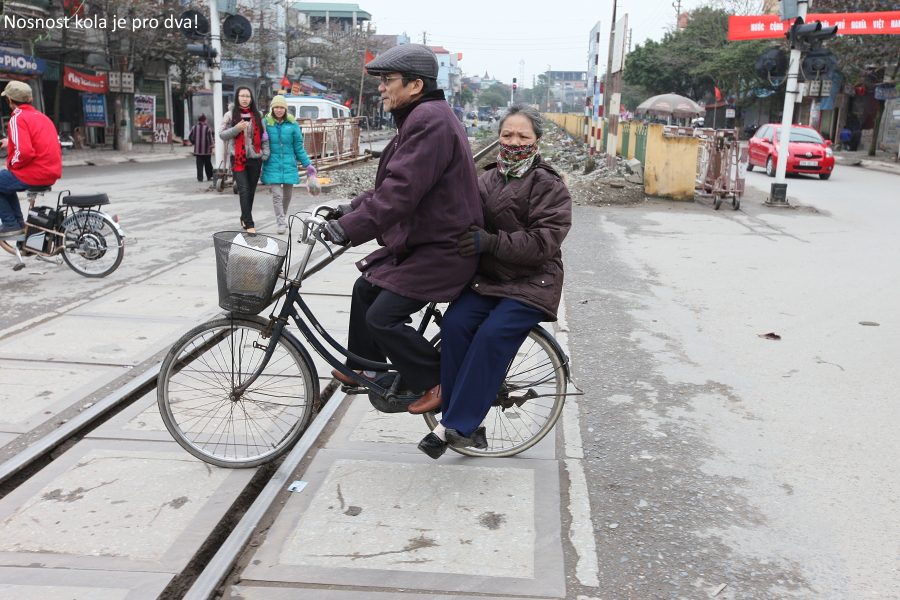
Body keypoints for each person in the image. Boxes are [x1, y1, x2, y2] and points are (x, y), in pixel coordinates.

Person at [322, 44, 482, 408]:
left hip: (444, 250)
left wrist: (350, 228)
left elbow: (400, 194)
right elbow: (390, 185)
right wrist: (349, 210)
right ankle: (366, 367)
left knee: (382, 317)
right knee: (366, 289)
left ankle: (438, 381)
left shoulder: (429, 120)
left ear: (414, 86)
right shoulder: (421, 117)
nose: (381, 88)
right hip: (428, 243)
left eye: (388, 80)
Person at [415, 105, 572, 459]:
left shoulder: (549, 185)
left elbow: (544, 242)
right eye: (507, 135)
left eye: (523, 136)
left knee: (491, 334)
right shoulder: (485, 179)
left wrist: (492, 242)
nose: (514, 141)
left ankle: (458, 425)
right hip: (490, 279)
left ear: (536, 141)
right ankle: (460, 419)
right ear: (498, 137)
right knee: (455, 324)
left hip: (533, 281)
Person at [0, 81, 62, 239]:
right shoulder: (42, 117)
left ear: (10, 101)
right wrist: (10, 143)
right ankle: (18, 224)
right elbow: (36, 142)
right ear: (30, 100)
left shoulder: (17, 118)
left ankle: (12, 224)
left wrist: (12, 165)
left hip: (33, 174)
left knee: (6, 175)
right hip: (50, 173)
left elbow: (24, 152)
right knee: (4, 181)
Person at [261, 95, 320, 234]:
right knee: (277, 195)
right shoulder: (266, 123)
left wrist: (308, 165)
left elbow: (298, 147)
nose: (279, 110)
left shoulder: (293, 124)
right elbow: (258, 140)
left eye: (282, 107)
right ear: (272, 108)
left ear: (285, 109)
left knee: (287, 195)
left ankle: (283, 215)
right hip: (272, 164)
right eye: (276, 107)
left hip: (289, 164)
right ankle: (281, 222)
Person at [220, 87, 269, 233]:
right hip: (238, 158)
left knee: (251, 191)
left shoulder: (258, 115)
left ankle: (244, 216)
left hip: (255, 158)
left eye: (247, 96)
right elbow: (222, 135)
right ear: (237, 97)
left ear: (251, 98)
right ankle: (249, 224)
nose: (245, 98)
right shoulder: (230, 115)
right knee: (244, 190)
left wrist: (265, 154)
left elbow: (264, 136)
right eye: (242, 95)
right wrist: (236, 128)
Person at [188, 114, 214, 182]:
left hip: (198, 151)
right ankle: (209, 176)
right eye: (206, 120)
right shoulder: (207, 128)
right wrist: (212, 146)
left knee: (199, 165)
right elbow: (210, 139)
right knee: (208, 164)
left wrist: (194, 142)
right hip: (207, 151)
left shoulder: (194, 127)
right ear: (204, 120)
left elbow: (190, 137)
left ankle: (200, 178)